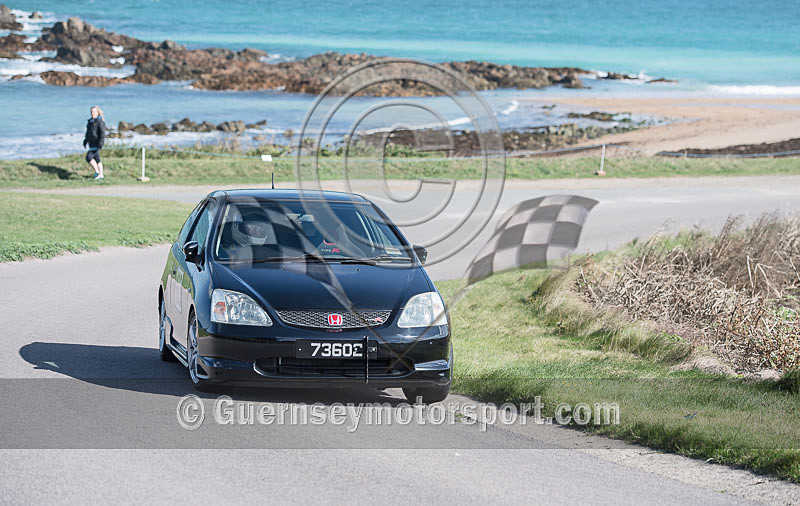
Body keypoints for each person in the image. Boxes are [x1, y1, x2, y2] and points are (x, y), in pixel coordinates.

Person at [83, 105, 106, 180]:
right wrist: (85, 140)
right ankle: (101, 175)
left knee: (89, 157)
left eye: (94, 112)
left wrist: (101, 143)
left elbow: (102, 133)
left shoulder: (100, 121)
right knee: (97, 159)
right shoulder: (90, 122)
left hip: (97, 143)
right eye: (91, 112)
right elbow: (88, 132)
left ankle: (97, 172)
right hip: (91, 143)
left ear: (97, 112)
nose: (92, 113)